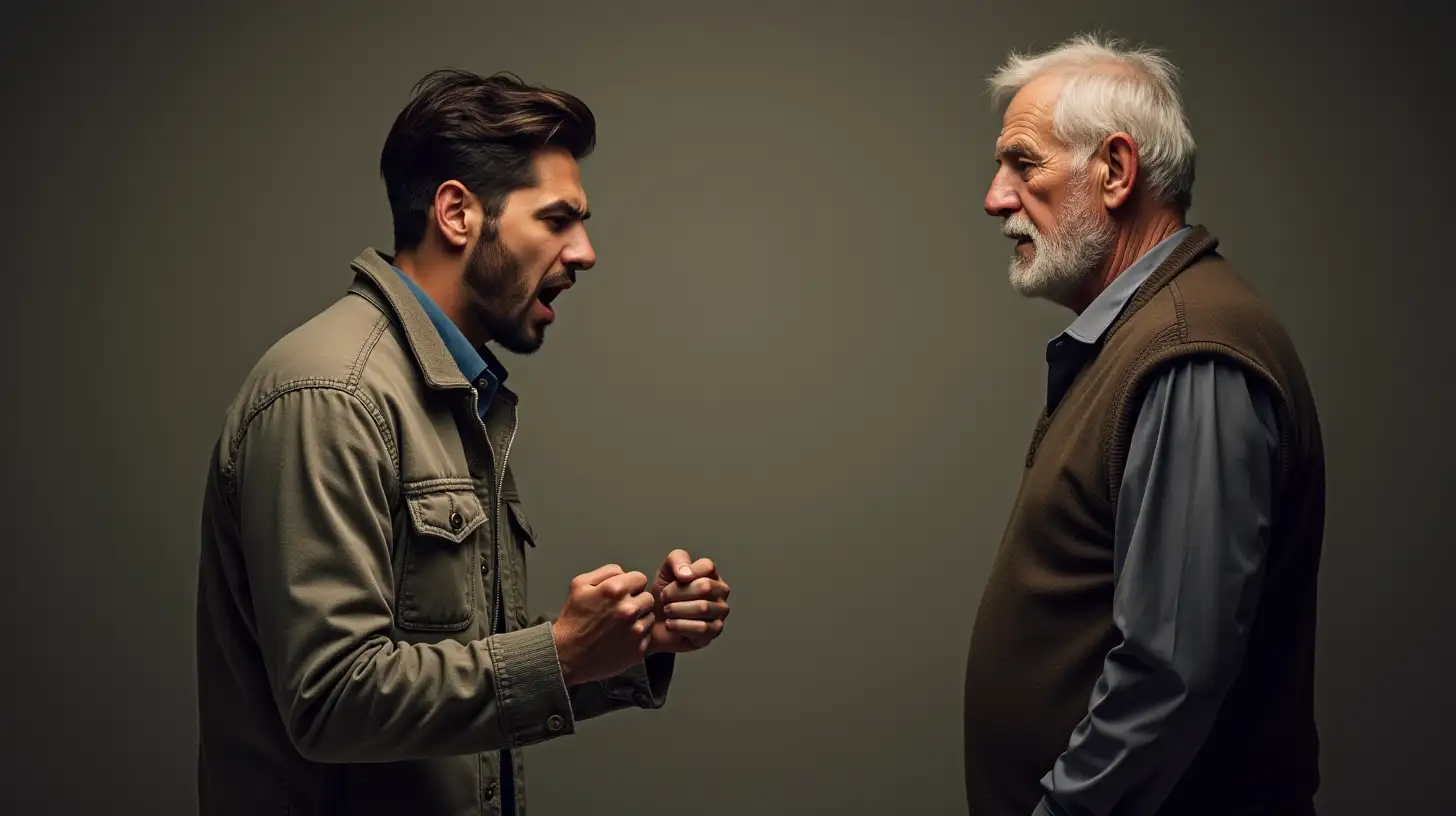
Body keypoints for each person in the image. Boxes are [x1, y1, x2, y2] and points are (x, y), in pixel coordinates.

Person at [195, 68, 732, 816]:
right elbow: (330, 700)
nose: (585, 252)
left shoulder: (452, 396)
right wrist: (561, 653)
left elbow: (454, 674)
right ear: (457, 213)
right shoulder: (330, 394)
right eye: (557, 219)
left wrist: (634, 643)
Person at [962, 34, 1325, 816]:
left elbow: (1172, 675)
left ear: (1116, 171)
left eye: (1022, 165)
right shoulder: (1140, 336)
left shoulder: (1188, 349)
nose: (995, 198)